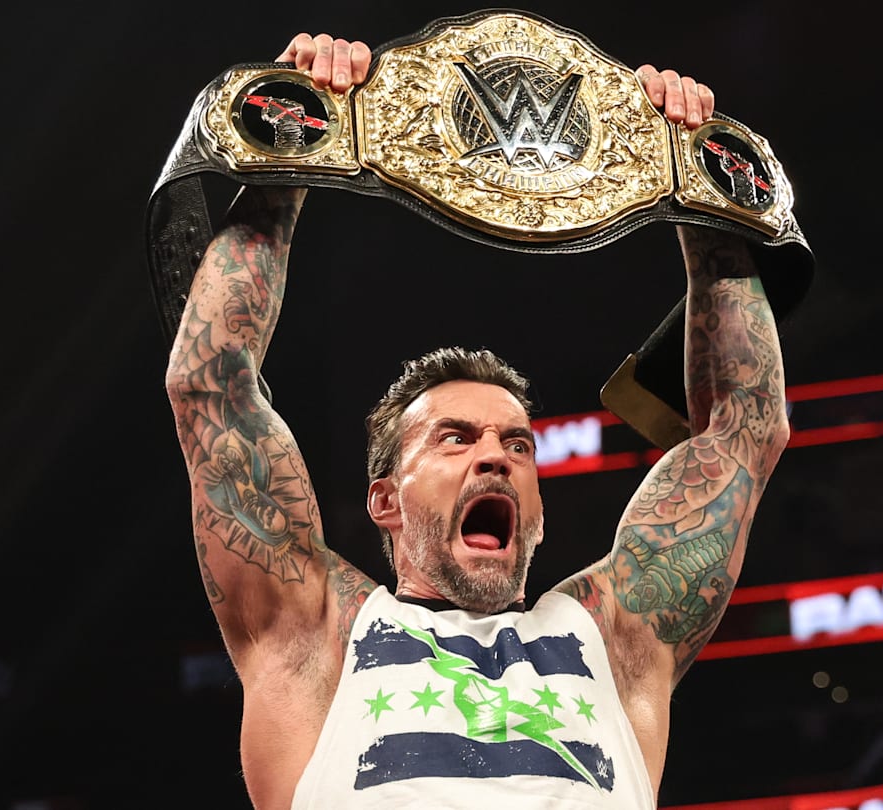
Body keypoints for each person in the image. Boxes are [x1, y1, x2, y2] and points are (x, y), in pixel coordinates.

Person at [164, 31, 789, 810]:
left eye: (517, 445)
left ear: (537, 510)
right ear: (385, 500)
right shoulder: (318, 635)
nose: (495, 457)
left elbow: (743, 431)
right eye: (454, 438)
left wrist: (700, 186)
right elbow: (211, 386)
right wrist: (292, 135)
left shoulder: (611, 641)